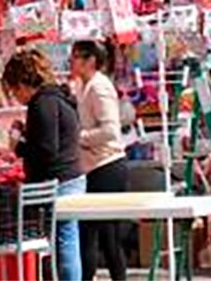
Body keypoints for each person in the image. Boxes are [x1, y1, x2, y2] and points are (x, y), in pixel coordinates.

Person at [1, 49, 85, 281]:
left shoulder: (42, 103)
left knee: (64, 242)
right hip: (72, 175)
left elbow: (46, 149)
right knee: (67, 240)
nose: (16, 97)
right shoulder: (60, 98)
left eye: (14, 90)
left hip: (59, 180)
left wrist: (17, 146)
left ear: (23, 83)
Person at [70, 40, 128, 281]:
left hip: (107, 164)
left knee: (108, 234)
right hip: (91, 166)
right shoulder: (83, 86)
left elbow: (110, 130)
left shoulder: (99, 87)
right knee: (88, 232)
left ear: (90, 60)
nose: (71, 62)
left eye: (75, 57)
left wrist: (80, 137)